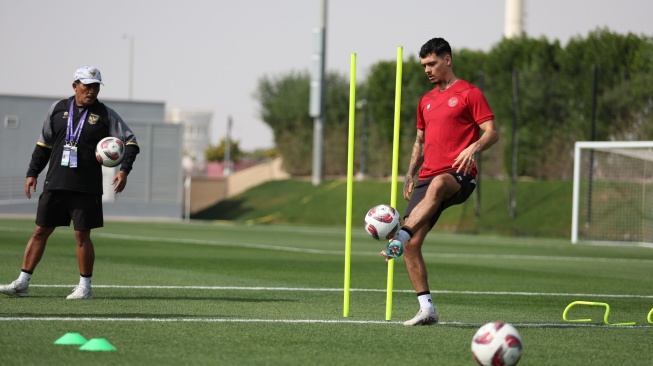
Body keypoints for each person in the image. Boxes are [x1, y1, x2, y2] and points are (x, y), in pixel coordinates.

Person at [380, 38, 499, 325]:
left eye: (432, 63)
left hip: (459, 174)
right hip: (427, 176)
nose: (427, 70)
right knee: (412, 246)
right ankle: (427, 308)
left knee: (435, 188)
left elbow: (492, 132)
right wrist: (410, 173)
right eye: (423, 66)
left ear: (448, 60)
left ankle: (402, 234)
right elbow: (420, 141)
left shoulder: (470, 93)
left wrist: (474, 148)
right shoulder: (426, 101)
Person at [0, 66, 139, 300]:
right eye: (87, 85)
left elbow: (131, 143)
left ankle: (85, 287)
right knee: (40, 230)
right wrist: (32, 172)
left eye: (96, 86)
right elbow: (43, 144)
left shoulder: (106, 114)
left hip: (86, 186)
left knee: (81, 235)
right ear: (75, 85)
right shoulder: (57, 109)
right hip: (55, 182)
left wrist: (124, 170)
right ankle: (23, 283)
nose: (92, 91)